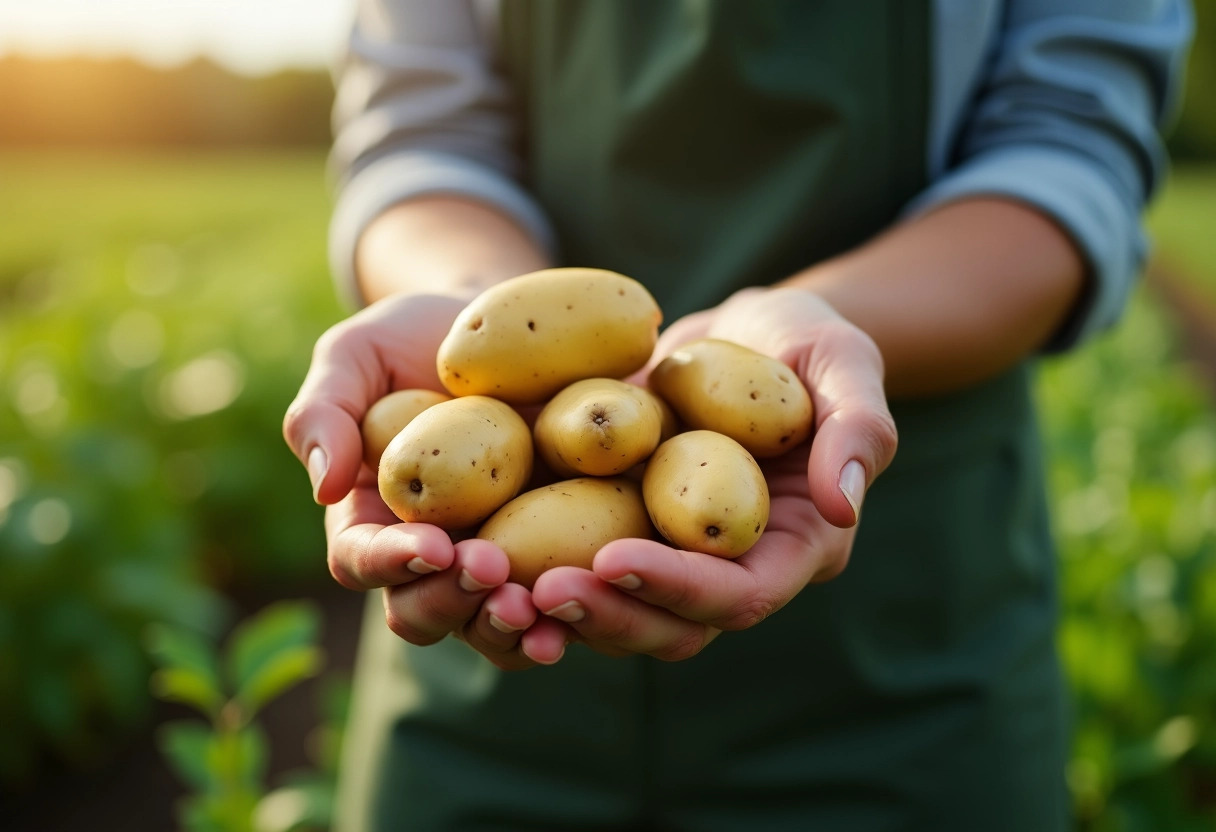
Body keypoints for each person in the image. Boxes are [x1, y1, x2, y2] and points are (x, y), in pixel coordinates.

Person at [283, 2, 1193, 829]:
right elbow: (423, 139)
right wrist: (474, 307)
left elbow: (1068, 150)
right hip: (479, 657)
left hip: (902, 657)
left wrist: (829, 335)